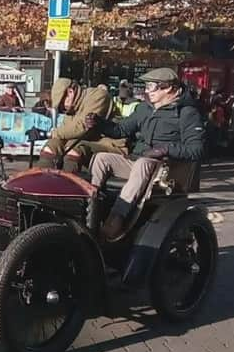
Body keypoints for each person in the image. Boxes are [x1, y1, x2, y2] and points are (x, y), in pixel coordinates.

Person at [85, 68, 205, 242]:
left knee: (143, 163)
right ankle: (91, 209)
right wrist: (99, 123)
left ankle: (116, 219)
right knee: (102, 158)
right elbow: (120, 130)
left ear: (168, 88)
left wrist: (164, 149)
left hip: (166, 169)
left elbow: (196, 149)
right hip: (137, 162)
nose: (147, 90)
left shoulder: (187, 113)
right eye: (146, 86)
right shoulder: (145, 109)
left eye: (151, 86)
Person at [35, 78, 126, 173]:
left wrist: (47, 134)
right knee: (52, 145)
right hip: (87, 141)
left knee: (74, 149)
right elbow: (65, 134)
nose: (62, 108)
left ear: (70, 92)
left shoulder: (98, 96)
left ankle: (67, 184)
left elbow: (82, 128)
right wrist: (51, 142)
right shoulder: (70, 110)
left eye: (62, 103)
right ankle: (40, 181)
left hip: (109, 143)